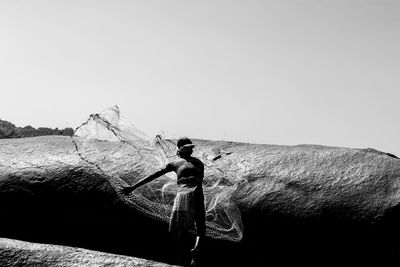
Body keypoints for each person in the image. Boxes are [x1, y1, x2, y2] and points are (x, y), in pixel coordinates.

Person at [122, 137, 206, 267]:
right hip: (196, 194)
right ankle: (194, 251)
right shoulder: (197, 163)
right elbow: (197, 179)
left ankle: (186, 255)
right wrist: (133, 187)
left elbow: (154, 175)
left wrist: (133, 187)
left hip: (185, 195)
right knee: (199, 227)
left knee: (182, 229)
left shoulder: (177, 163)